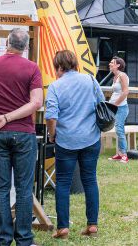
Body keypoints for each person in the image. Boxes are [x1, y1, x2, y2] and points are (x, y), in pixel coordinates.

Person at [0, 28, 43, 246]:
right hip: (24, 133)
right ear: (26, 46)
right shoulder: (32, 68)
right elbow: (36, 103)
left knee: (0, 188)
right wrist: (9, 117)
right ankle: (24, 239)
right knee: (24, 189)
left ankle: (3, 239)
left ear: (7, 42)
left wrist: (2, 117)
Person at [45, 49, 104, 239]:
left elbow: (51, 116)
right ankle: (92, 225)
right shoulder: (91, 80)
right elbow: (102, 104)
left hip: (66, 140)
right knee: (90, 180)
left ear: (59, 66)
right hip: (91, 138)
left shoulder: (55, 86)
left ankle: (63, 228)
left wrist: (52, 135)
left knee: (62, 182)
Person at [107, 57, 130, 162]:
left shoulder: (122, 75)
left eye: (112, 63)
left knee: (119, 130)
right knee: (118, 130)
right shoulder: (115, 77)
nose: (109, 64)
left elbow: (125, 92)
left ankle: (124, 155)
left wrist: (115, 105)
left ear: (118, 65)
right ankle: (120, 153)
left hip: (121, 108)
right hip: (115, 107)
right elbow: (116, 93)